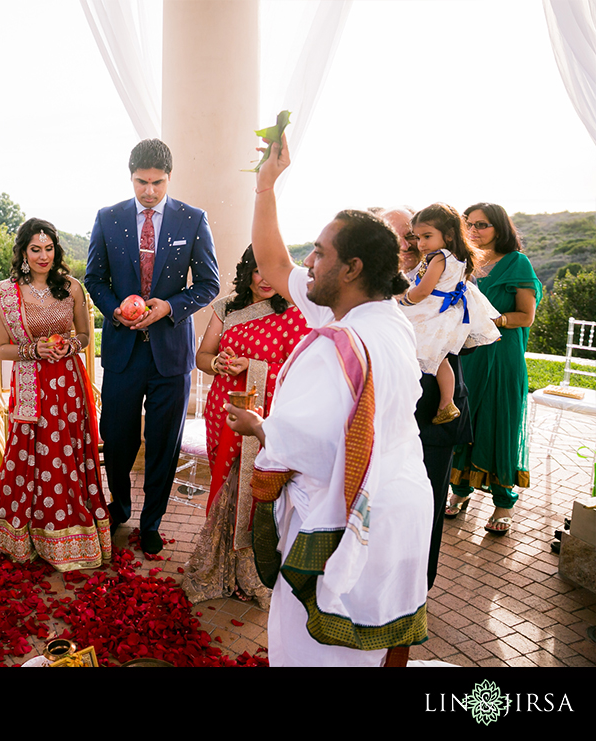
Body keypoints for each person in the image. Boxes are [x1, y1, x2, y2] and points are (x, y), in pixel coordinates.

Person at [227, 132, 432, 666]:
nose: (308, 262)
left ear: (352, 268)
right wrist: (266, 187)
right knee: (383, 643)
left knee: (314, 650)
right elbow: (273, 261)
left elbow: (310, 444)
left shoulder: (336, 343)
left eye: (320, 253)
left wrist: (260, 427)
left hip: (350, 515)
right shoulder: (380, 318)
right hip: (403, 503)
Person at [84, 138, 220, 555]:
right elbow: (95, 280)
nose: (149, 191)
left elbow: (209, 285)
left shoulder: (192, 219)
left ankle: (152, 522)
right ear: (131, 177)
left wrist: (169, 307)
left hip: (171, 355)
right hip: (124, 352)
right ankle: (121, 507)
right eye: (141, 182)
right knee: (118, 437)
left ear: (169, 178)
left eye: (157, 183)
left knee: (164, 443)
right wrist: (115, 311)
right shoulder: (107, 218)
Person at [182, 246, 307, 605]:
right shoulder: (227, 307)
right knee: (225, 481)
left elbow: (297, 370)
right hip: (225, 411)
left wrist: (252, 364)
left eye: (272, 271)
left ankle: (254, 569)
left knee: (257, 484)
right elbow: (202, 356)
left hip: (267, 415)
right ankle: (218, 563)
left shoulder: (295, 313)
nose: (265, 279)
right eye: (257, 271)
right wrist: (217, 363)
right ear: (247, 272)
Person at [0, 218, 111, 571]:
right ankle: (32, 534)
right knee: (32, 454)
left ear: (56, 251)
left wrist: (67, 345)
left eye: (49, 248)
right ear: (24, 253)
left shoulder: (72, 287)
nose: (43, 256)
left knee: (67, 451)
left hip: (69, 383)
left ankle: (70, 531)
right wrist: (34, 350)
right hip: (32, 386)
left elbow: (86, 337)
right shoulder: (8, 292)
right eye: (35, 249)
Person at [381, 208, 472, 589]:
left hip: (432, 409)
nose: (407, 243)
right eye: (397, 235)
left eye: (412, 235)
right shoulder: (377, 281)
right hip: (385, 414)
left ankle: (415, 586)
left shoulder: (440, 272)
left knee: (426, 503)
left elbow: (460, 337)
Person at [448, 203, 542, 535]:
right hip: (469, 354)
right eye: (468, 224)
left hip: (502, 357)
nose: (473, 230)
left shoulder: (517, 262)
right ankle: (460, 491)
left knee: (498, 423)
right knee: (465, 420)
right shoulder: (463, 264)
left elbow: (525, 316)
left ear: (499, 228)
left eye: (482, 225)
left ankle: (503, 503)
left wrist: (490, 321)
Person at [398, 203, 499, 424]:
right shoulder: (459, 259)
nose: (421, 244)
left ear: (450, 234)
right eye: (418, 237)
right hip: (448, 313)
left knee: (411, 340)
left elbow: (424, 290)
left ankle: (433, 399)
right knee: (440, 357)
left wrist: (403, 299)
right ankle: (447, 402)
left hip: (431, 310)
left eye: (427, 236)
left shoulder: (439, 258)